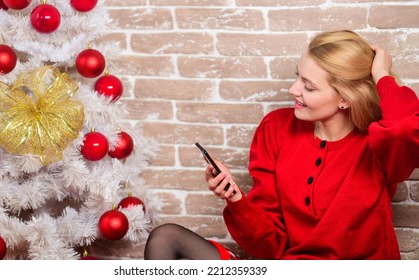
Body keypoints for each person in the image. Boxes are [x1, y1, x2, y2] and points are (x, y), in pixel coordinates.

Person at [143, 30, 419, 260]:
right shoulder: (276, 128)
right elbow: (269, 246)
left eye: (308, 87)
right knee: (165, 237)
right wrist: (236, 200)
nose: (293, 90)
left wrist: (382, 75)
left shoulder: (378, 144)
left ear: (345, 99)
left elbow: (406, 127)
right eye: (298, 76)